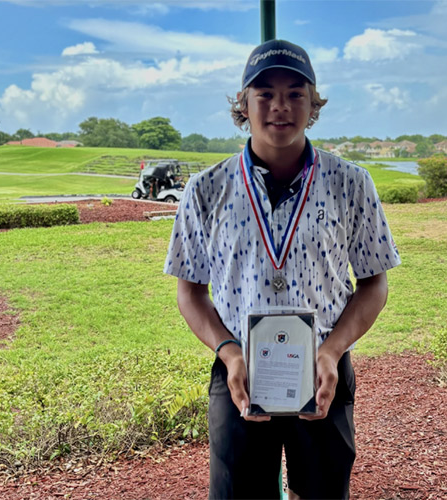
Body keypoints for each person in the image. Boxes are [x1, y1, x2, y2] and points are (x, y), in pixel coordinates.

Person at [164, 39, 400, 499]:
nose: (280, 106)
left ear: (313, 104)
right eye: (265, 93)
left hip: (323, 369)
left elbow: (374, 283)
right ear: (244, 103)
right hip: (239, 374)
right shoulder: (206, 189)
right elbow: (190, 292)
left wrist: (331, 352)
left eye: (295, 93)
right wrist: (229, 352)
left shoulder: (351, 183)